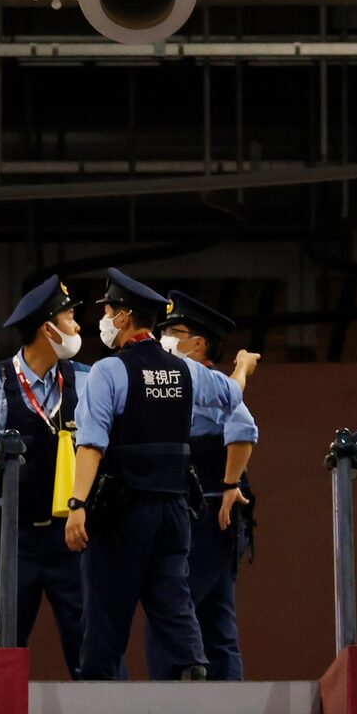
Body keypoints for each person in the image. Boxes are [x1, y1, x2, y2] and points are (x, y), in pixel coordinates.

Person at [64, 270, 207, 683]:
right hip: (175, 508)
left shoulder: (109, 372)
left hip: (122, 512)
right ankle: (194, 677)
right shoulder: (185, 371)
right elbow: (230, 399)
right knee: (173, 601)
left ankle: (96, 705)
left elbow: (90, 444)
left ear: (124, 318)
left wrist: (76, 505)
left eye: (107, 311)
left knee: (106, 609)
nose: (103, 318)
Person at [0, 273, 87, 670]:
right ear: (49, 328)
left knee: (94, 650)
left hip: (72, 539)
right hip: (9, 541)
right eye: (71, 317)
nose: (78, 325)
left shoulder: (90, 382)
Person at [142, 293, 261, 683]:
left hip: (207, 514)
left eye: (175, 333)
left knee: (171, 608)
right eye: (163, 332)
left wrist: (229, 484)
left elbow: (242, 429)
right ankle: (229, 702)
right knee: (215, 616)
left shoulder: (204, 382)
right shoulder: (179, 382)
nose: (165, 340)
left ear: (200, 343)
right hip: (192, 513)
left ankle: (166, 702)